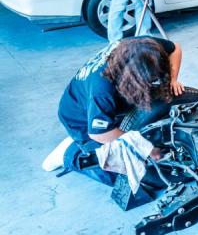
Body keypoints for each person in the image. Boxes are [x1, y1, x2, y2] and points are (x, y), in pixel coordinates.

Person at [42, 37, 187, 189]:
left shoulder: (145, 47)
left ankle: (112, 123)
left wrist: (172, 79)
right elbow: (100, 134)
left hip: (110, 101)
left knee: (158, 97)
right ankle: (70, 151)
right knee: (129, 175)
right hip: (80, 118)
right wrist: (147, 148)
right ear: (133, 77)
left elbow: (175, 48)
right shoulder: (101, 90)